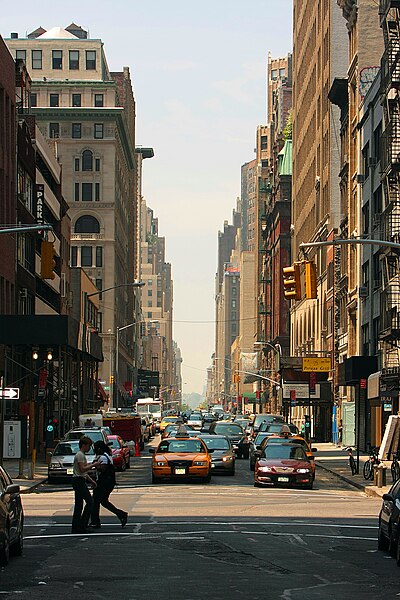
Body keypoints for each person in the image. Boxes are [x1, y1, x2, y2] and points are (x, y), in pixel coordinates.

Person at [90, 440, 128, 529]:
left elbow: (103, 469)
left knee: (95, 502)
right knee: (102, 501)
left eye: (95, 448)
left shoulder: (103, 457)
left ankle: (95, 521)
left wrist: (95, 465)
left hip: (104, 483)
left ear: (99, 448)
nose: (94, 450)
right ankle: (121, 514)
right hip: (105, 483)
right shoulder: (105, 455)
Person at [71, 436, 99, 534]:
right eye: (88, 446)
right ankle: (82, 524)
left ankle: (76, 526)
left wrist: (91, 480)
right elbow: (82, 469)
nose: (89, 448)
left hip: (79, 479)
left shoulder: (81, 455)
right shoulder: (80, 455)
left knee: (79, 504)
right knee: (90, 502)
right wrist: (93, 465)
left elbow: (83, 473)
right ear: (83, 445)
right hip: (78, 480)